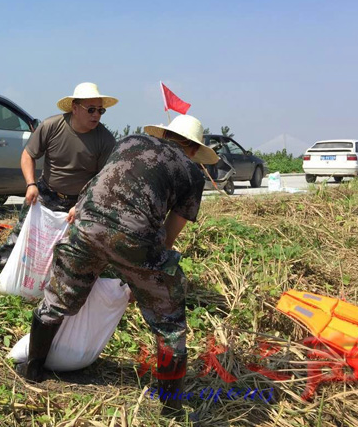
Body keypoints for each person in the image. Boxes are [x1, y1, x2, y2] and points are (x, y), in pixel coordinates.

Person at [15, 114, 219, 418]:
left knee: (56, 301)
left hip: (86, 225)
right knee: (170, 327)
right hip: (137, 237)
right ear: (192, 148)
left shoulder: (130, 141)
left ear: (165, 134)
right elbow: (169, 234)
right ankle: (171, 409)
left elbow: (98, 184)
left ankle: (33, 372)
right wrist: (145, 278)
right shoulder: (191, 172)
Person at [0, 82, 118, 277]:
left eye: (100, 110)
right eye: (91, 109)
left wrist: (82, 205)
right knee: (22, 235)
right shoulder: (52, 126)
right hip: (46, 193)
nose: (96, 115)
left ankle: (68, 281)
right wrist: (30, 185)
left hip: (78, 201)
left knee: (77, 246)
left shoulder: (105, 140)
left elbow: (103, 181)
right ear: (75, 108)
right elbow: (28, 155)